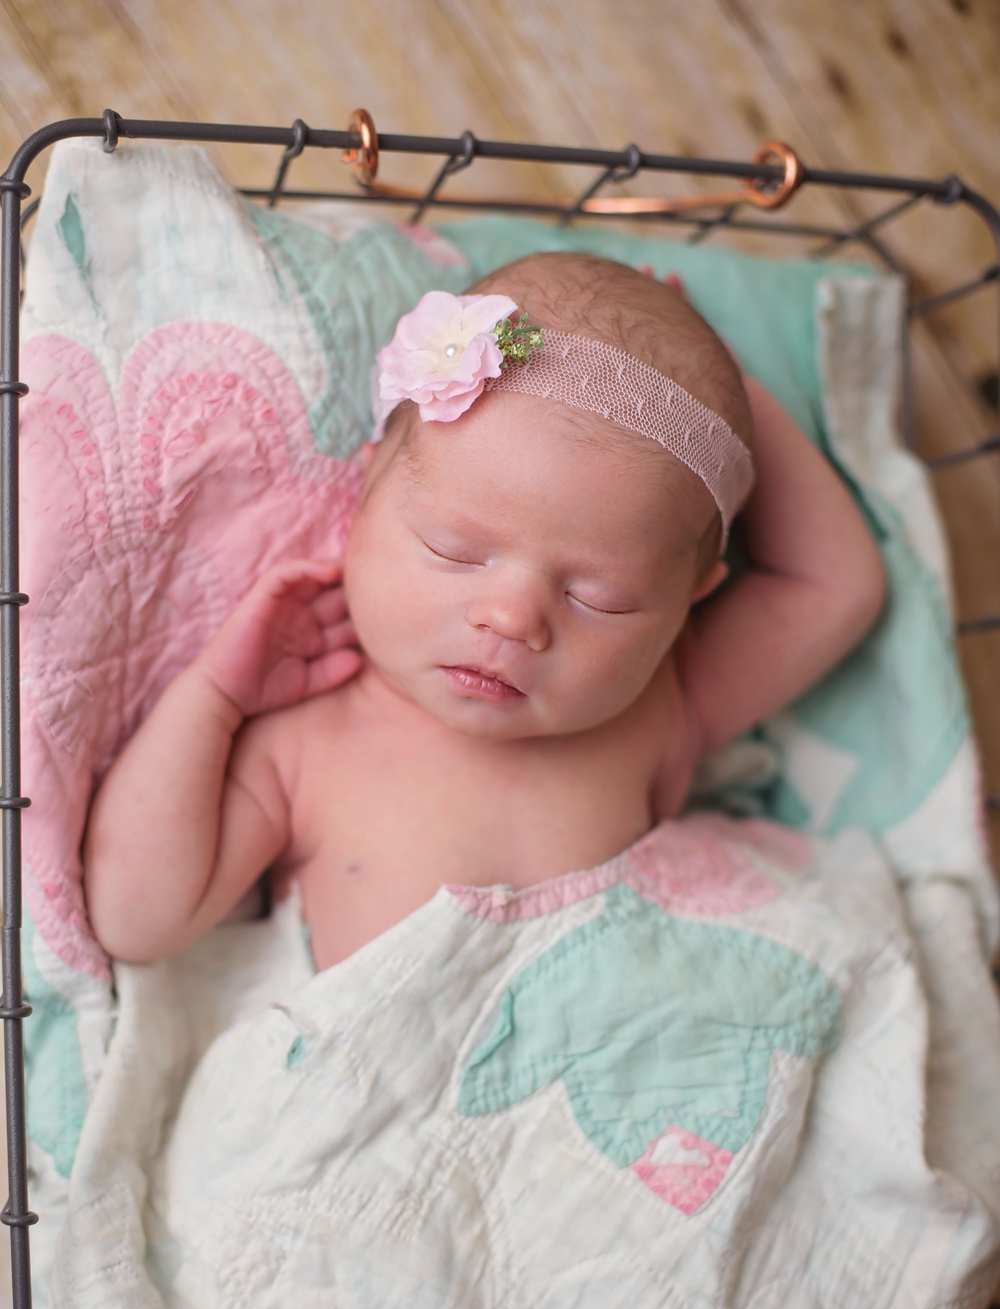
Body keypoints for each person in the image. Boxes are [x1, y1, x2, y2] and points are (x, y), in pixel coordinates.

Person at [82, 252, 885, 971]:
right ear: (362, 497)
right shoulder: (305, 740)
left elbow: (839, 587)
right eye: (455, 552)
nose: (511, 619)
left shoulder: (663, 705)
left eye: (597, 597)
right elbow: (137, 919)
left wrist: (726, 393)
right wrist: (213, 698)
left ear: (687, 603)